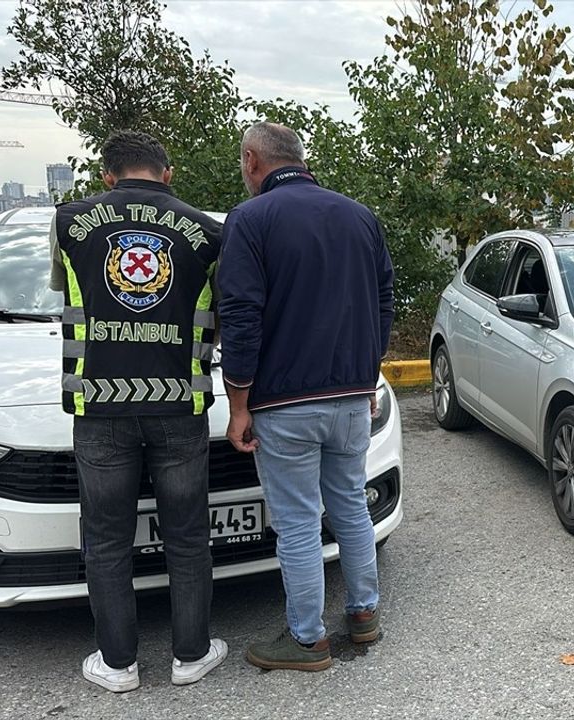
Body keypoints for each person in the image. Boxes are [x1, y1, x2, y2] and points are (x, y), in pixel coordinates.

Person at [50, 131, 227, 692]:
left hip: (98, 404)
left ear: (107, 175)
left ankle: (118, 665)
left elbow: (71, 295)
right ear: (168, 174)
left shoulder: (69, 223)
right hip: (179, 403)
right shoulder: (207, 232)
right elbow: (221, 314)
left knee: (105, 540)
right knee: (188, 535)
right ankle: (191, 656)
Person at [218, 122, 395, 672]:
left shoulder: (249, 220)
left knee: (296, 522)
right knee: (350, 506)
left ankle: (306, 640)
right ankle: (364, 616)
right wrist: (367, 376)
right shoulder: (359, 215)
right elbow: (384, 301)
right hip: (350, 397)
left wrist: (239, 402)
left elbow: (241, 315)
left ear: (252, 160)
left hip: (285, 403)